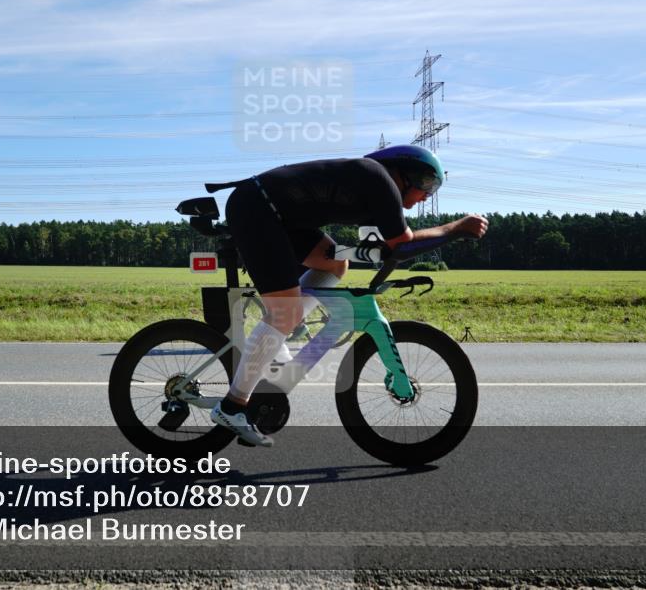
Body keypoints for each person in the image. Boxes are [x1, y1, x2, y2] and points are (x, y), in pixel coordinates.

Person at [209, 145, 489, 447]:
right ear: (408, 174)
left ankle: (278, 331)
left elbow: (385, 247)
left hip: (279, 216)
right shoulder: (381, 180)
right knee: (284, 313)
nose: (427, 196)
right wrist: (456, 227)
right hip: (258, 208)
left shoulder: (375, 184)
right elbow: (401, 245)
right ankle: (233, 406)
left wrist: (378, 251)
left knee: (336, 264)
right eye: (428, 184)